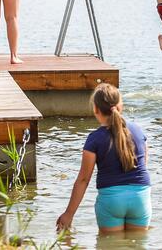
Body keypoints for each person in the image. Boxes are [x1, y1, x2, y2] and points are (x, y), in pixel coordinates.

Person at [56, 83, 151, 234]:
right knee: (137, 244)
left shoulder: (95, 139)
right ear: (121, 105)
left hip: (111, 201)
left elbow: (83, 180)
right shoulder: (138, 131)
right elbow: (143, 165)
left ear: (95, 109)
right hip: (140, 198)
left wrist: (69, 213)